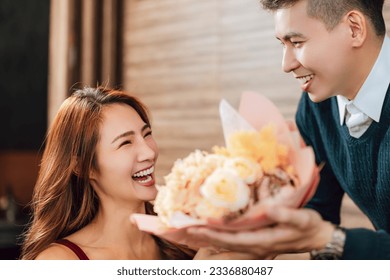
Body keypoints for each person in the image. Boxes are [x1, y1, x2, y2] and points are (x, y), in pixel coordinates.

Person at [188, 0, 390, 260]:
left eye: (297, 43)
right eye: (282, 44)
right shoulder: (319, 106)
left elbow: (320, 234)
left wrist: (330, 240)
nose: (286, 64)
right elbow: (315, 212)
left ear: (354, 29)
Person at [20, 86, 255, 260]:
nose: (148, 152)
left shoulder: (187, 241)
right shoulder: (62, 262)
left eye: (146, 134)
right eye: (126, 143)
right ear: (84, 167)